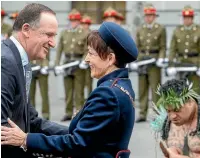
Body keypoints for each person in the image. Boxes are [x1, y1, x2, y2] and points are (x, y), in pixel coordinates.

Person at [1, 21, 138, 158]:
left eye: (91, 53)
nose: (86, 59)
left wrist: (26, 139)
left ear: (110, 58)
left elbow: (77, 144)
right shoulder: (121, 85)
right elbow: (91, 137)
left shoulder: (107, 94)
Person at [1, 3, 68, 158]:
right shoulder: (5, 62)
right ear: (26, 30)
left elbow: (31, 120)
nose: (53, 43)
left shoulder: (21, 61)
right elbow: (2, 130)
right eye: (48, 35)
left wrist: (75, 133)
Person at [151, 79, 200, 158]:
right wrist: (171, 151)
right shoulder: (168, 123)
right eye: (168, 111)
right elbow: (173, 148)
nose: (172, 117)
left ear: (190, 102)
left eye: (177, 110)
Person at [133, 3, 166, 122]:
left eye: (151, 15)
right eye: (147, 15)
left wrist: (161, 58)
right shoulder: (140, 29)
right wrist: (135, 60)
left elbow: (162, 46)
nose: (149, 18)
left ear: (154, 16)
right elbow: (136, 47)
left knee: (155, 89)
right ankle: (142, 113)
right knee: (142, 88)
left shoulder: (160, 29)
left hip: (154, 60)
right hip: (142, 61)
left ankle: (158, 113)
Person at [55, 9, 88, 121]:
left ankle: (79, 113)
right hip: (67, 63)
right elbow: (59, 49)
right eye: (71, 20)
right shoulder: (64, 32)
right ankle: (68, 112)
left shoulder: (85, 33)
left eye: (75, 21)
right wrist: (56, 64)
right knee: (68, 90)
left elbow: (87, 49)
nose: (73, 22)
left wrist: (84, 60)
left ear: (79, 21)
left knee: (79, 91)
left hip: (78, 63)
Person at [167, 5, 200, 95]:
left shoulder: (199, 30)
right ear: (182, 18)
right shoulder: (177, 30)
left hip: (194, 64)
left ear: (192, 18)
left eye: (189, 18)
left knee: (195, 92)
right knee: (180, 93)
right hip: (180, 64)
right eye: (185, 18)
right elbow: (172, 50)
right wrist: (171, 64)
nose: (187, 20)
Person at [30, 55, 50, 120]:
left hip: (41, 67)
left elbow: (46, 54)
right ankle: (31, 115)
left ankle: (46, 114)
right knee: (30, 94)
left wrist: (45, 65)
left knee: (44, 94)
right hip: (30, 67)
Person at [81, 15, 93, 96]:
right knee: (80, 84)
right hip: (80, 61)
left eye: (87, 24)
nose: (85, 26)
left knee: (89, 83)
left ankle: (89, 98)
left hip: (89, 61)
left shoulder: (91, 34)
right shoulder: (79, 33)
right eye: (84, 24)